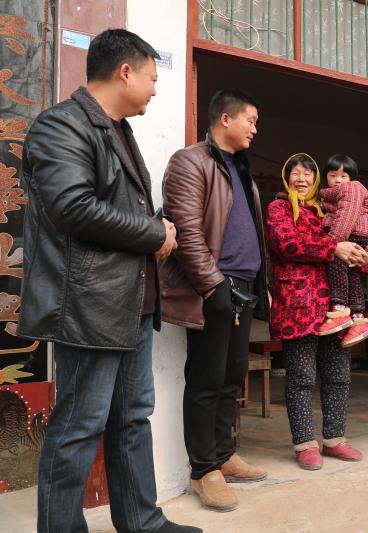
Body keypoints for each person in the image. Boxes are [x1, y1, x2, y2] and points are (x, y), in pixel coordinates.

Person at [19, 29, 198, 533]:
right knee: (79, 426)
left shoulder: (118, 130)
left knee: (132, 418)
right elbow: (71, 207)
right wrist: (154, 234)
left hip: (131, 304)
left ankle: (141, 521)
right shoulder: (62, 125)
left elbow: (117, 207)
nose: (156, 89)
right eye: (152, 78)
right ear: (125, 72)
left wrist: (161, 226)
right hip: (90, 306)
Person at [158, 90, 270, 512]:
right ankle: (204, 469)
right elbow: (185, 229)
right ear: (225, 118)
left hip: (244, 287)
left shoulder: (241, 170)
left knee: (231, 376)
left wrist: (259, 283)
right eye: (251, 120)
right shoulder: (191, 161)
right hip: (216, 288)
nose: (255, 129)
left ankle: (224, 454)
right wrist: (213, 287)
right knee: (206, 379)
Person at [266, 153, 368, 469]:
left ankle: (335, 439)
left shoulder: (325, 210)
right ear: (286, 176)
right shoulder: (279, 208)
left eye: (307, 173)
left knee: (338, 375)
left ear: (315, 179)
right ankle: (304, 443)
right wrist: (334, 247)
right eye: (295, 172)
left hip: (334, 308)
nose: (301, 179)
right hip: (298, 305)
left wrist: (359, 255)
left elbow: (350, 241)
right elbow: (287, 244)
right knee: (301, 376)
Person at [317, 153, 368, 347]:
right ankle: (359, 319)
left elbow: (346, 217)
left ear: (352, 178)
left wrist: (332, 243)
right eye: (333, 175)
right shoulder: (335, 196)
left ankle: (339, 311)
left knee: (336, 267)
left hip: (351, 234)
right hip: (358, 235)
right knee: (353, 276)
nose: (338, 180)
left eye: (344, 176)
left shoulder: (352, 189)